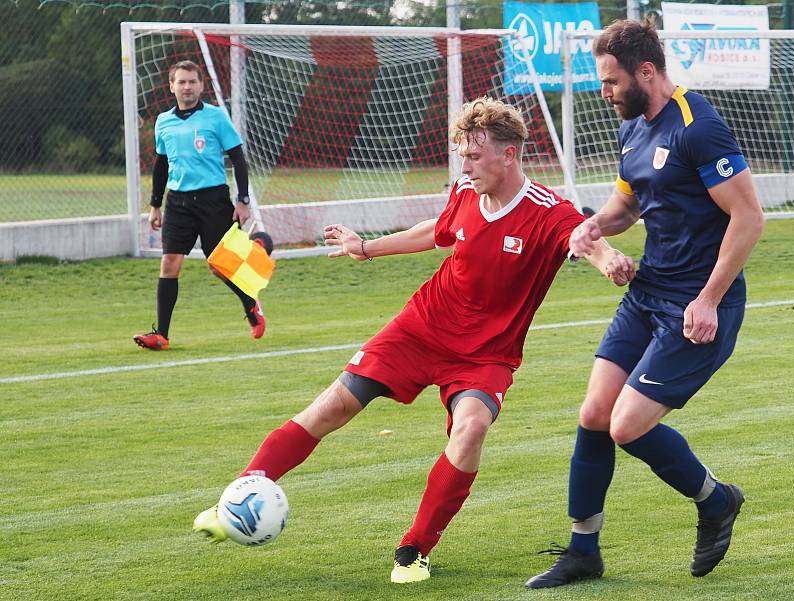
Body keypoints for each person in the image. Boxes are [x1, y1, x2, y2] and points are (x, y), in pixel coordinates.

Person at [192, 97, 633, 583]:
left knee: (470, 430)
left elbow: (583, 236)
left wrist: (608, 258)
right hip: (422, 326)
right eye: (461, 154)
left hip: (487, 353)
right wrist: (366, 248)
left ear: (509, 155)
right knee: (330, 406)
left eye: (474, 155)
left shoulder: (547, 210)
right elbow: (438, 231)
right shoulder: (466, 190)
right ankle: (234, 499)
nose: (464, 165)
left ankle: (415, 549)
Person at [525, 20, 765, 589]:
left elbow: (748, 217)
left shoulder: (697, 127)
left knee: (626, 426)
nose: (603, 92)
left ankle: (716, 500)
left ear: (646, 72)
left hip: (699, 304)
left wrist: (708, 299)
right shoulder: (632, 129)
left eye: (610, 81)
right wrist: (594, 227)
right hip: (648, 293)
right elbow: (629, 203)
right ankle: (583, 551)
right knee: (592, 415)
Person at [133, 60, 265, 350]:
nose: (187, 87)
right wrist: (155, 205)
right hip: (178, 202)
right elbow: (161, 164)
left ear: (201, 85)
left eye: (192, 81)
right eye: (181, 82)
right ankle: (161, 335)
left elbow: (239, 158)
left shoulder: (216, 117)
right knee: (169, 263)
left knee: (219, 266)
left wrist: (243, 200)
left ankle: (250, 304)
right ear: (171, 86)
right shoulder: (163, 121)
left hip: (213, 199)